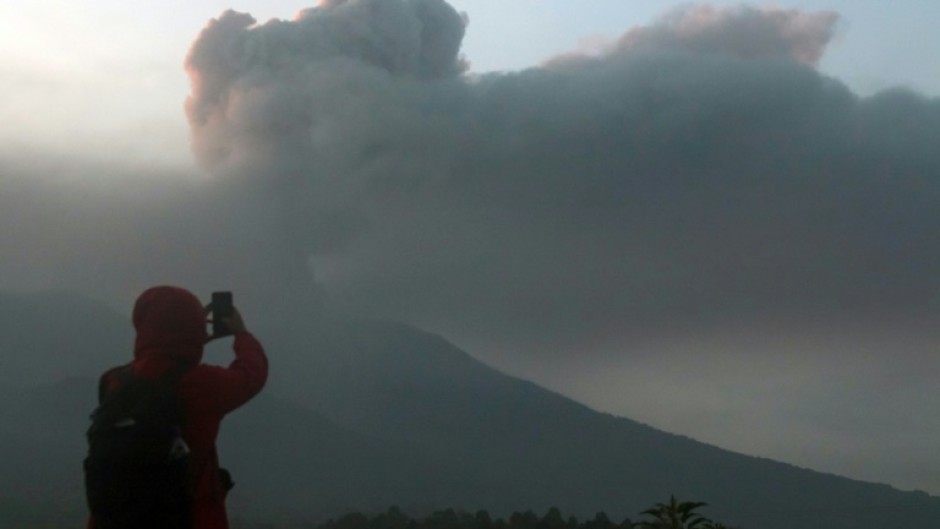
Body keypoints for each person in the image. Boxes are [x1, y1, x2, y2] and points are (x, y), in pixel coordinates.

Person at [87, 285, 268, 529]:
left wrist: (191, 338)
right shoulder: (202, 386)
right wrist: (241, 334)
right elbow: (252, 374)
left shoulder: (112, 381)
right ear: (194, 326)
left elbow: (157, 363)